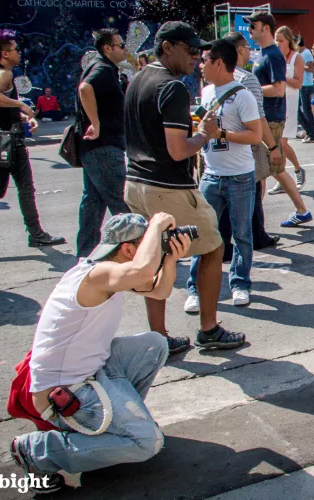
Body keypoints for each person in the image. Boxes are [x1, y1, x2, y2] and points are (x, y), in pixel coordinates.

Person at [7, 213, 193, 494]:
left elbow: (159, 291)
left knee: (154, 344)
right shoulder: (96, 276)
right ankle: (37, 451)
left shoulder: (107, 269)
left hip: (88, 372)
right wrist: (156, 226)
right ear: (128, 249)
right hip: (63, 392)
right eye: (149, 244)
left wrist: (169, 258)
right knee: (147, 443)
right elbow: (143, 272)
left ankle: (112, 431)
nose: (154, 248)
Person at [124, 21, 246, 349]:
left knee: (156, 257)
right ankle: (209, 328)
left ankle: (158, 337)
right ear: (167, 48)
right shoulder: (172, 87)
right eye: (190, 50)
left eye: (199, 51)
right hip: (168, 186)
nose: (196, 56)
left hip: (135, 183)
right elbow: (178, 150)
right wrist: (204, 134)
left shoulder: (137, 80)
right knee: (212, 247)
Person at [0, 30, 65, 258]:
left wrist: (25, 117)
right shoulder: (4, 73)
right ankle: (36, 233)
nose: (19, 53)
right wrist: (22, 105)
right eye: (16, 49)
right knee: (25, 188)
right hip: (10, 141)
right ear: (5, 53)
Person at [186, 40, 262, 307]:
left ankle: (240, 284)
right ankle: (195, 289)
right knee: (202, 234)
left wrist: (220, 133)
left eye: (204, 60)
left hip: (240, 176)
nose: (200, 65)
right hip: (210, 175)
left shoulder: (243, 95)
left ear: (219, 63)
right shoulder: (206, 91)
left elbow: (255, 135)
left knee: (242, 234)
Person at [216, 31, 281, 261]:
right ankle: (254, 237)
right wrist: (272, 146)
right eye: (247, 47)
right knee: (251, 189)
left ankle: (230, 242)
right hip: (244, 144)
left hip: (221, 147)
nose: (250, 52)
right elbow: (259, 117)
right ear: (240, 50)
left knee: (225, 196)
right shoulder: (247, 79)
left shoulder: (216, 80)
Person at [245, 11, 312, 228]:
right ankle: (296, 211)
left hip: (271, 119)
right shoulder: (264, 53)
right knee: (268, 170)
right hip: (266, 117)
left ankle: (258, 221)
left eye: (253, 25)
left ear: (265, 28)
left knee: (270, 170)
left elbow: (279, 89)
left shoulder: (273, 54)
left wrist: (249, 89)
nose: (249, 29)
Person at [75, 28, 131, 259]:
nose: (125, 49)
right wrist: (95, 123)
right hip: (104, 146)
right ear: (108, 48)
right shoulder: (103, 69)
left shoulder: (102, 67)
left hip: (96, 147)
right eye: (121, 45)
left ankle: (85, 255)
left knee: (93, 203)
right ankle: (142, 252)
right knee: (121, 202)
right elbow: (85, 88)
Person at [267, 26, 306, 193]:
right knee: (277, 143)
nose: (278, 43)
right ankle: (283, 179)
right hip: (275, 102)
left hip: (289, 102)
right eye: (276, 40)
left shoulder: (297, 57)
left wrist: (282, 77)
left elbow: (298, 83)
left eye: (281, 40)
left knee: (282, 143)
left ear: (288, 41)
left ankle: (297, 170)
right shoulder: (274, 57)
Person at [296, 37, 314, 143]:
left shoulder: (306, 53)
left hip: (306, 85)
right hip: (302, 85)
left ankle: (312, 134)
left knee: (306, 111)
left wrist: (299, 66)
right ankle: (310, 132)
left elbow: (311, 69)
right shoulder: (301, 53)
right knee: (298, 111)